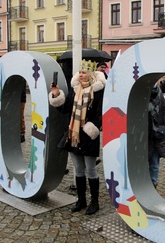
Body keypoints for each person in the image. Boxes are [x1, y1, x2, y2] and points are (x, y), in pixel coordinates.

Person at [49, 60, 106, 215]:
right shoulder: (76, 90)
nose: (81, 75)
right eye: (79, 72)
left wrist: (91, 127)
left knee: (91, 170)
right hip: (74, 135)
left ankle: (95, 202)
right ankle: (81, 200)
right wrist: (56, 95)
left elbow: (101, 114)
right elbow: (66, 108)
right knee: (79, 170)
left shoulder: (99, 90)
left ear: (91, 74)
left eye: (84, 72)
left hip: (88, 135)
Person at [148, 83, 165, 188]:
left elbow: (164, 110)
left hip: (158, 132)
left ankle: (153, 184)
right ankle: (144, 184)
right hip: (145, 132)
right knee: (144, 160)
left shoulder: (159, 92)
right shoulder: (141, 92)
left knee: (155, 163)